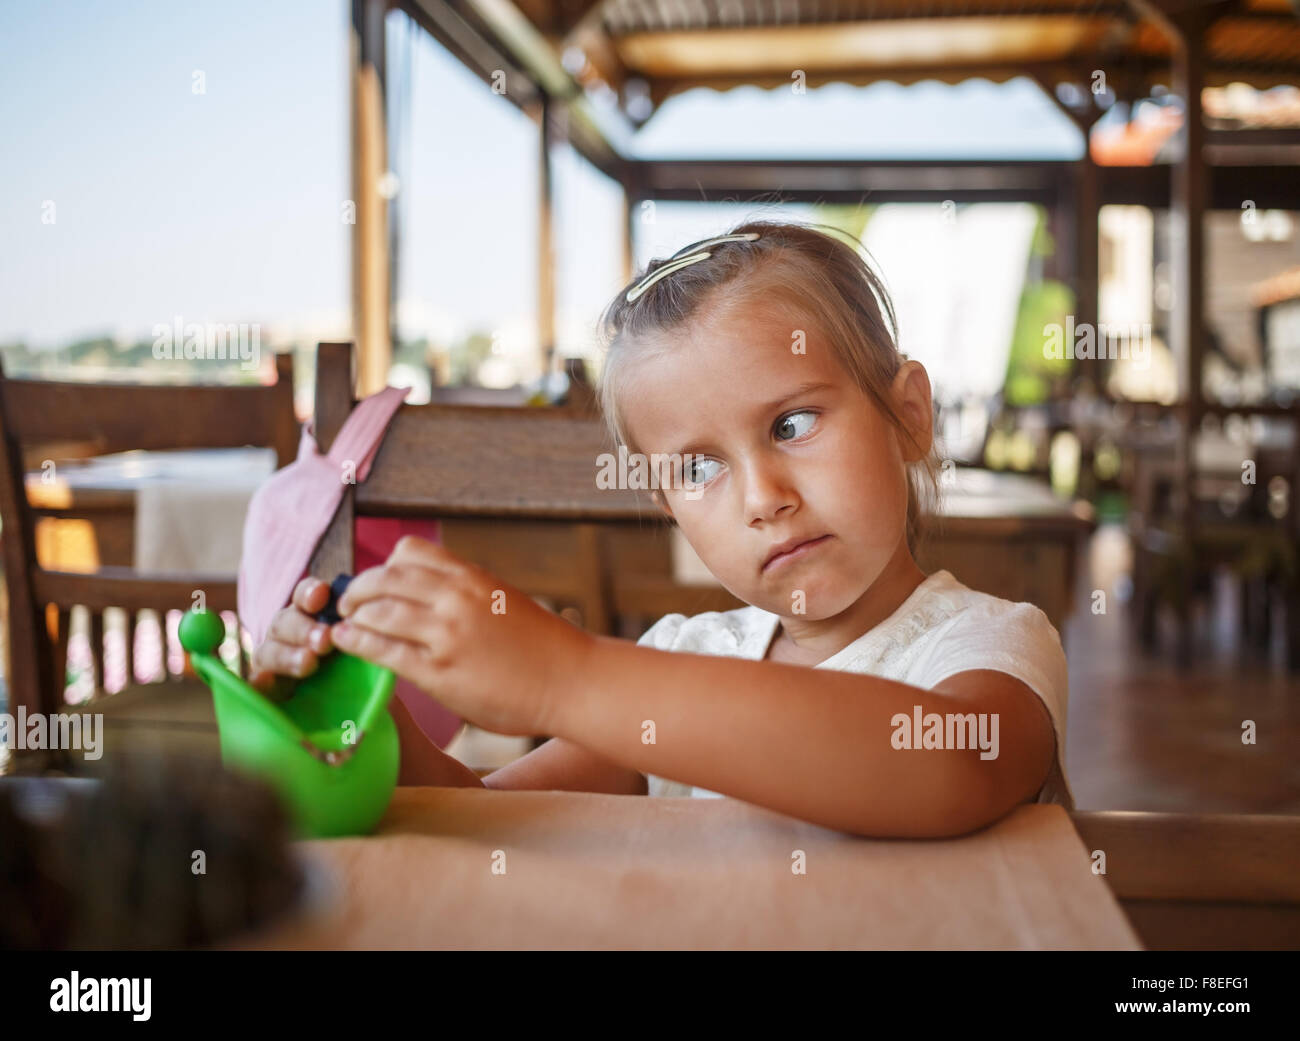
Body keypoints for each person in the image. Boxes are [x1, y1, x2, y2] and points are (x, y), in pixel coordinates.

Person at [249, 219, 1072, 838]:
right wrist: (360, 714)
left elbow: (944, 771)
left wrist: (563, 678)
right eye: (698, 466)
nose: (762, 496)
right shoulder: (684, 657)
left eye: (791, 425)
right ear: (667, 504)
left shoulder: (988, 645)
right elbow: (482, 818)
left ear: (909, 414)